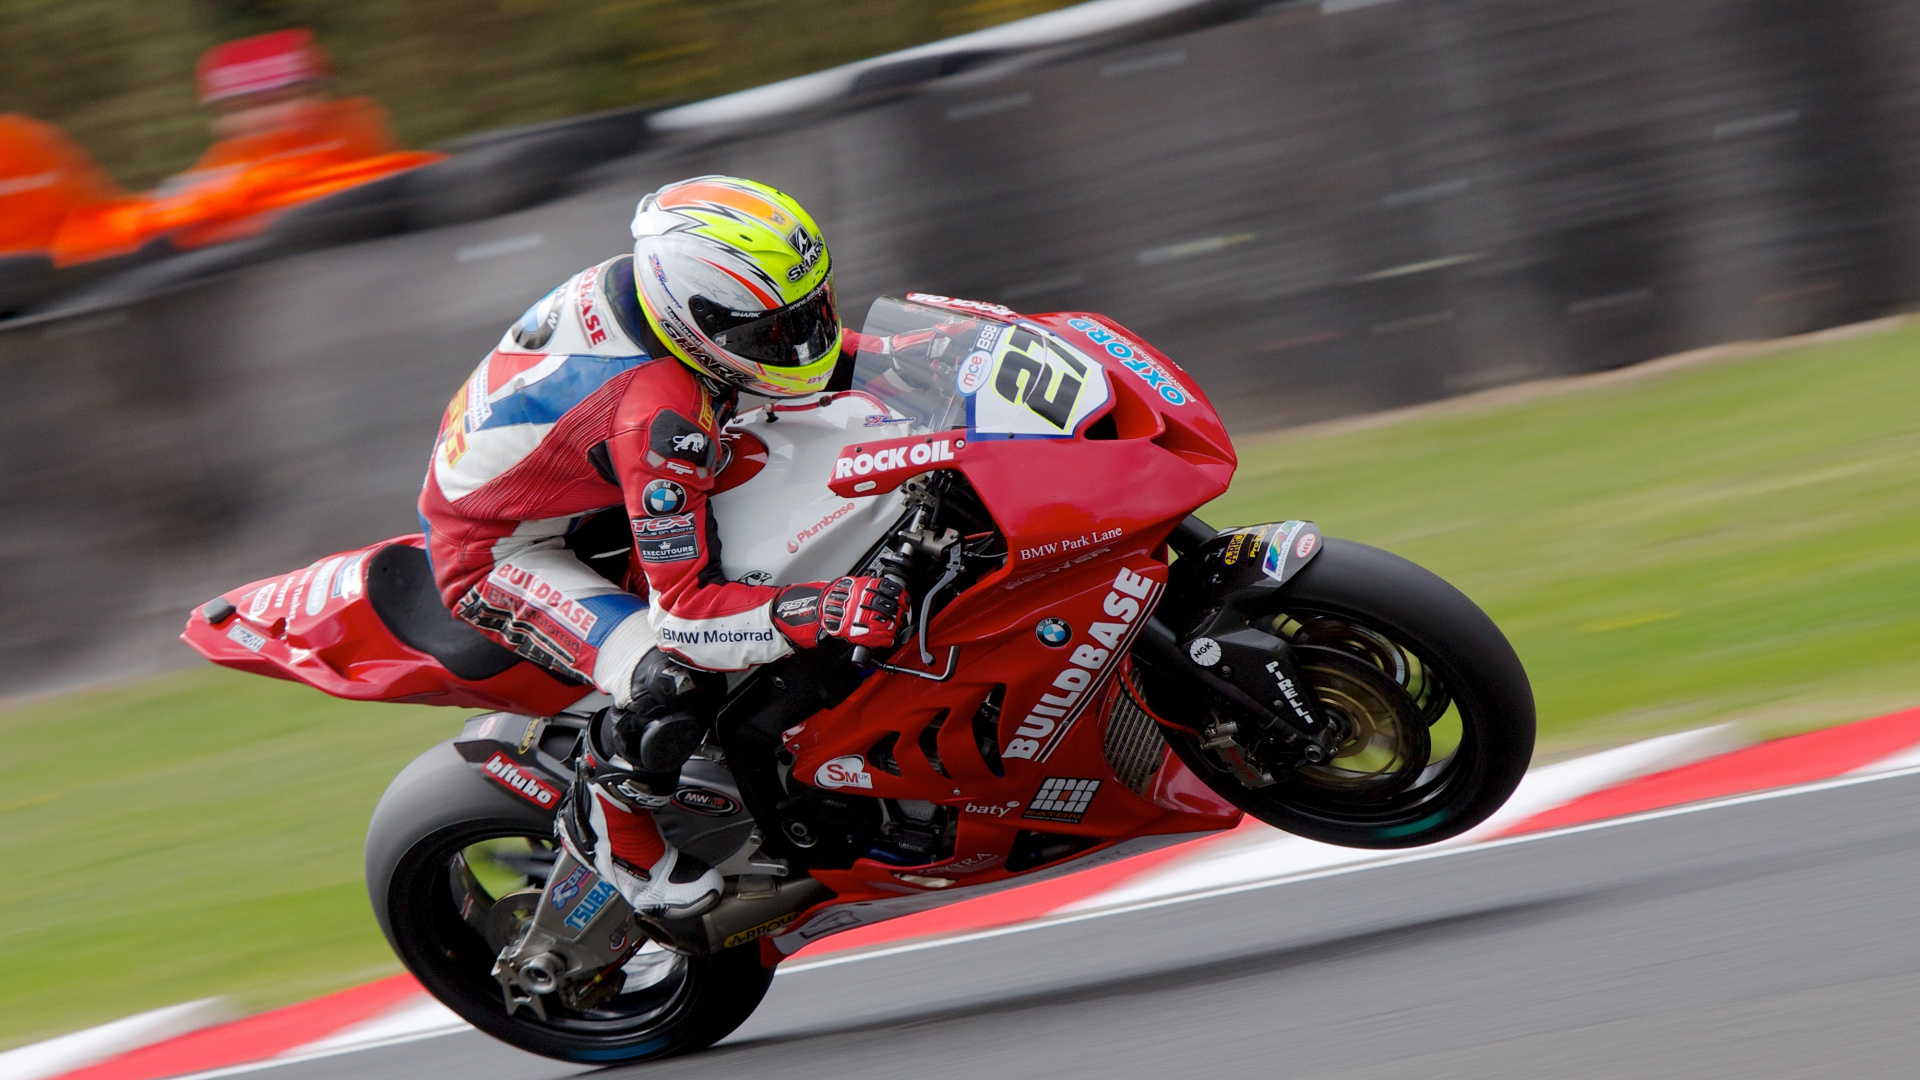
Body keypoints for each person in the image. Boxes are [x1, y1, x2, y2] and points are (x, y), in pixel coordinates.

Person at [420, 176, 908, 918]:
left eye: (811, 315)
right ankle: (611, 824)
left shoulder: (662, 288)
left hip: (573, 483)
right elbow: (689, 615)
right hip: (500, 552)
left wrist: (903, 356)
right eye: (773, 334)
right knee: (669, 677)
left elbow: (815, 358)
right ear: (697, 322)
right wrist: (819, 608)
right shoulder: (660, 417)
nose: (800, 344)